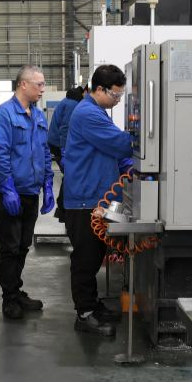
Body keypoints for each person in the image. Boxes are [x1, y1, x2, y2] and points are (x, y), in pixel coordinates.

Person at [61, 65, 135, 337]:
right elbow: (120, 144)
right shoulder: (88, 114)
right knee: (86, 259)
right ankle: (84, 314)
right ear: (100, 89)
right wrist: (143, 133)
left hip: (95, 197)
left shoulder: (97, 111)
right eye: (115, 95)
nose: (117, 100)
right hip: (85, 199)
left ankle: (92, 305)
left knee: (95, 256)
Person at [0, 64, 54, 320]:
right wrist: (7, 189)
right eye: (39, 84)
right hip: (10, 194)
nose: (43, 89)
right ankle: (9, 298)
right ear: (23, 84)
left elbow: (44, 151)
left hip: (30, 192)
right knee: (10, 247)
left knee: (24, 245)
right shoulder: (3, 115)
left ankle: (16, 290)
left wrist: (48, 183)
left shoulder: (37, 116)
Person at [46, 85, 86, 221]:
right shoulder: (72, 104)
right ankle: (63, 210)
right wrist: (64, 151)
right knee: (70, 175)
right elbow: (65, 128)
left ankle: (63, 210)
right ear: (85, 92)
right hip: (59, 145)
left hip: (56, 143)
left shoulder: (70, 100)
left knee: (69, 175)